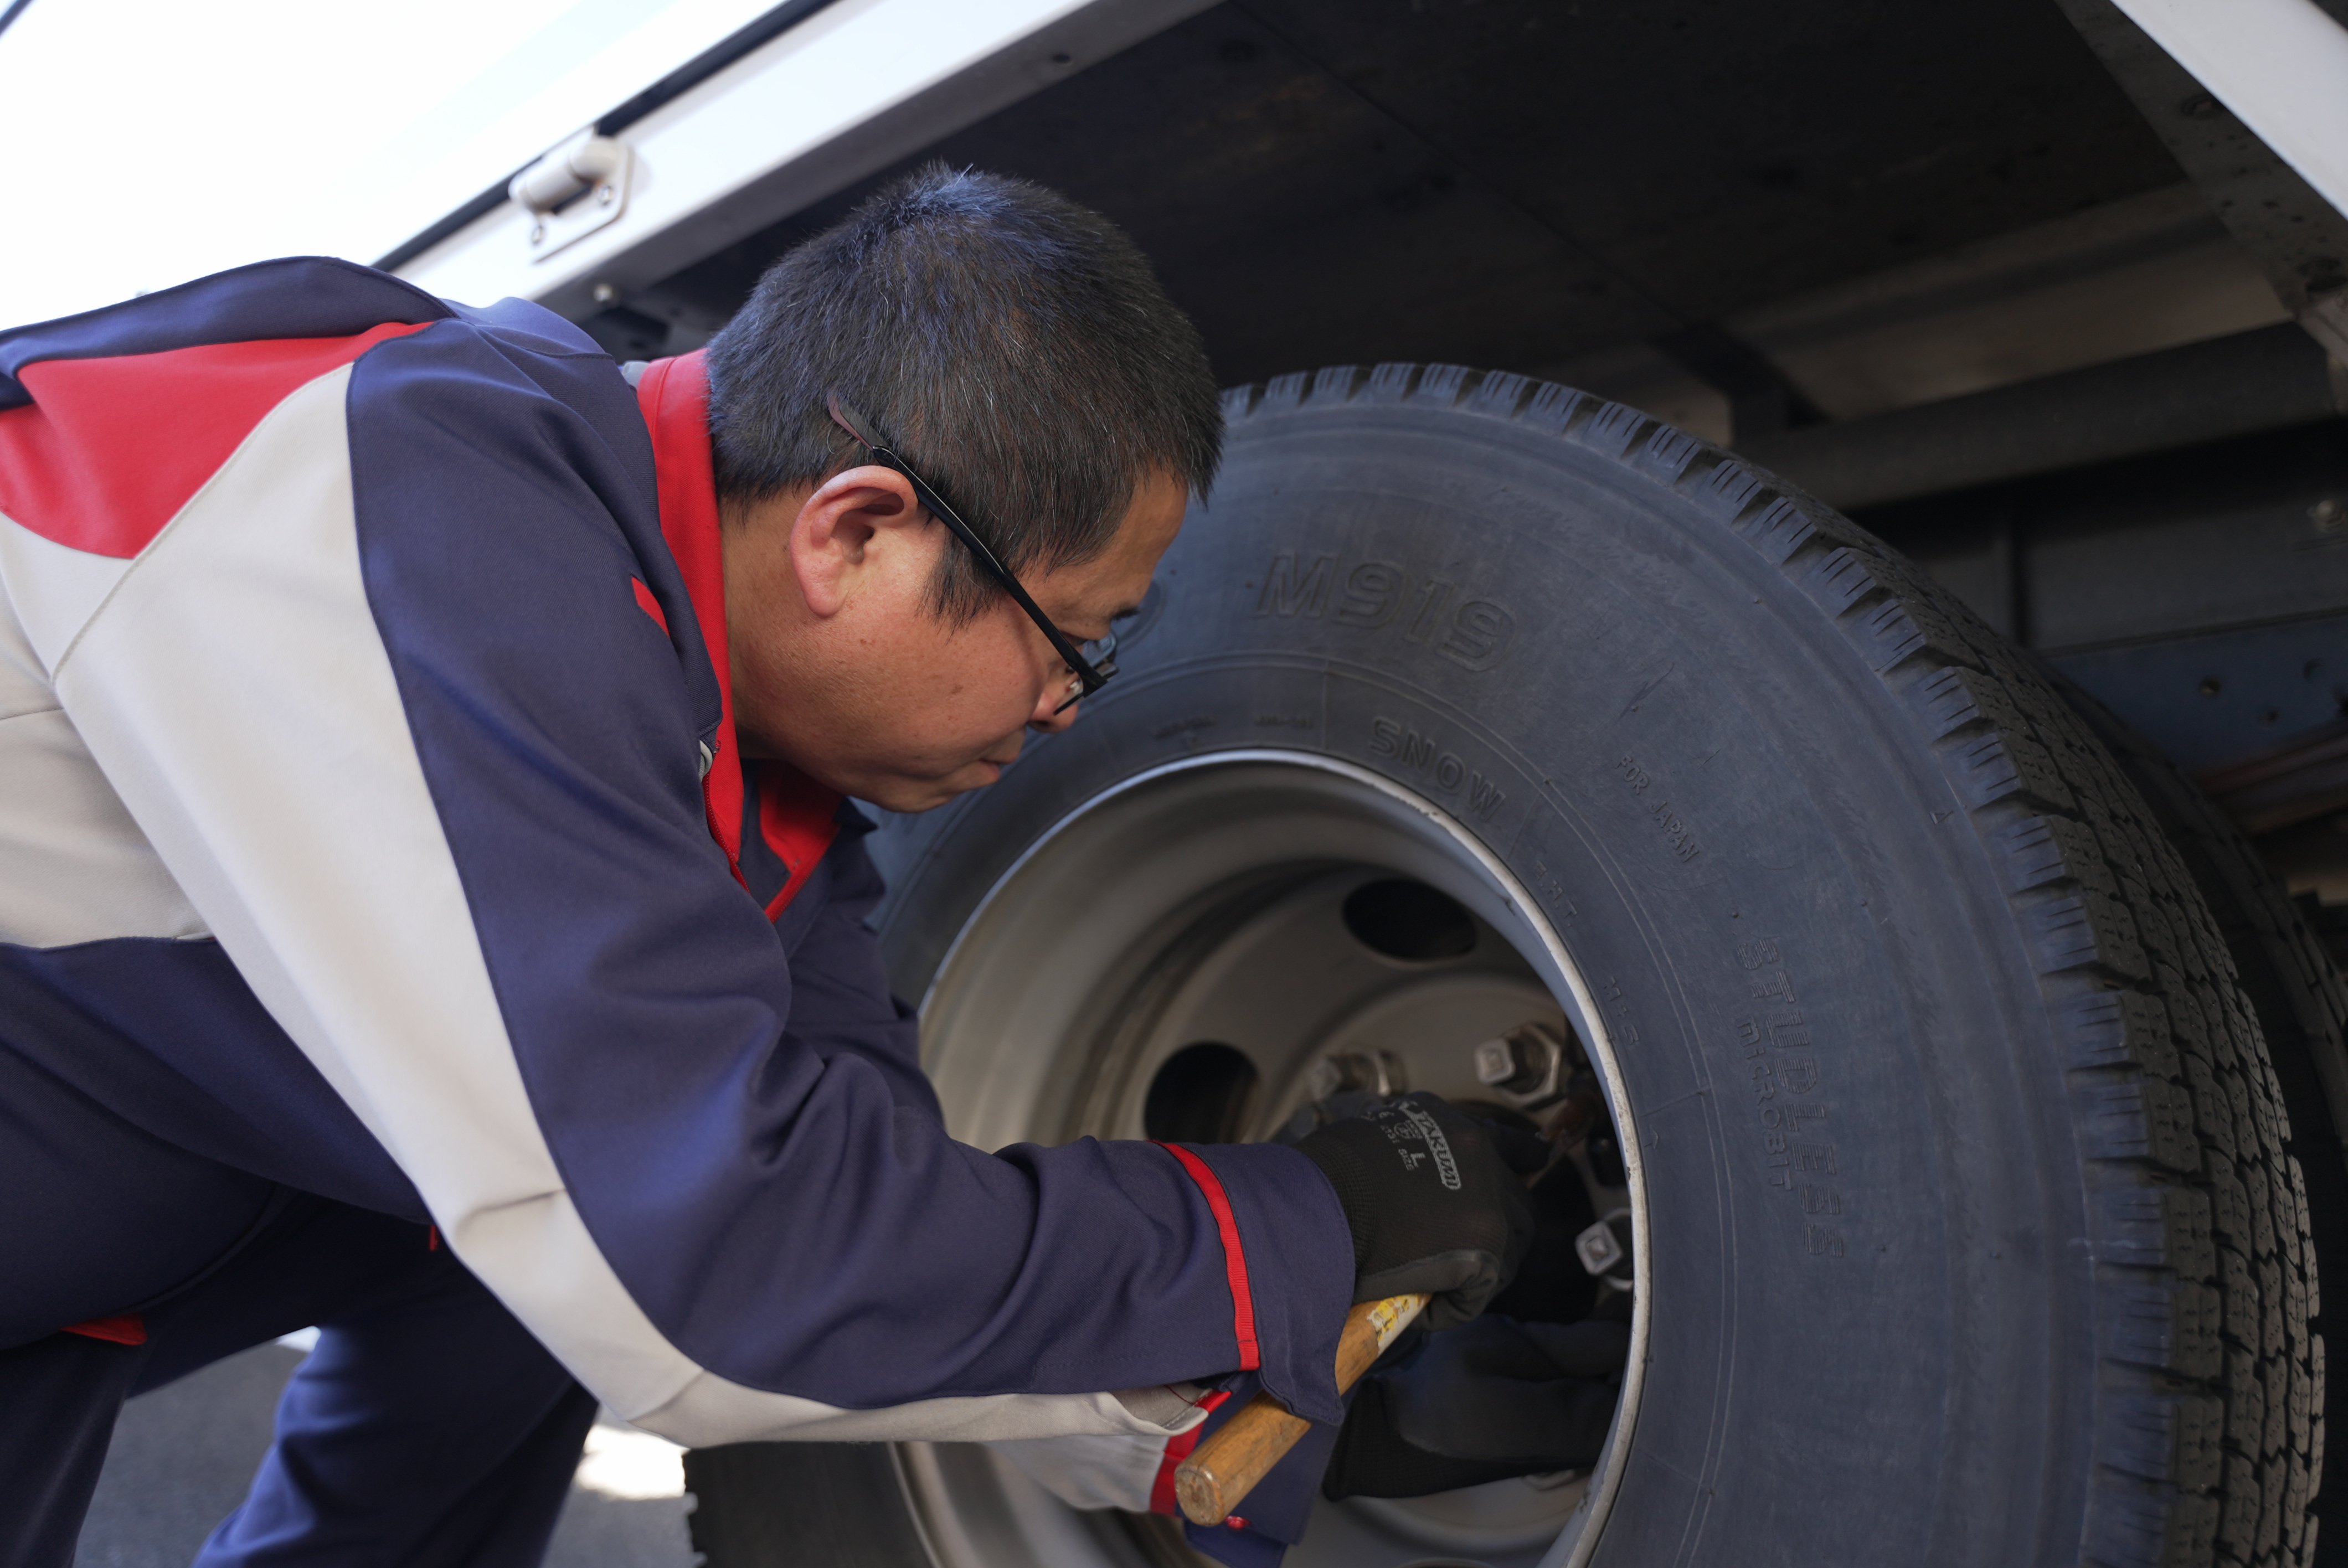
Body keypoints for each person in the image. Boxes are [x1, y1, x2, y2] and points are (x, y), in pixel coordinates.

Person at [0, 166, 1568, 1564]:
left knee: (545, 1229)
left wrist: (1244, 1378)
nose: (1060, 708)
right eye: (1071, 643)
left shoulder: (745, 788)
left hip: (71, 1235)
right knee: (599, 1218)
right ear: (858, 532)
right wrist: (1293, 1229)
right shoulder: (415, 511)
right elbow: (711, 1263)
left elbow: (850, 1191)